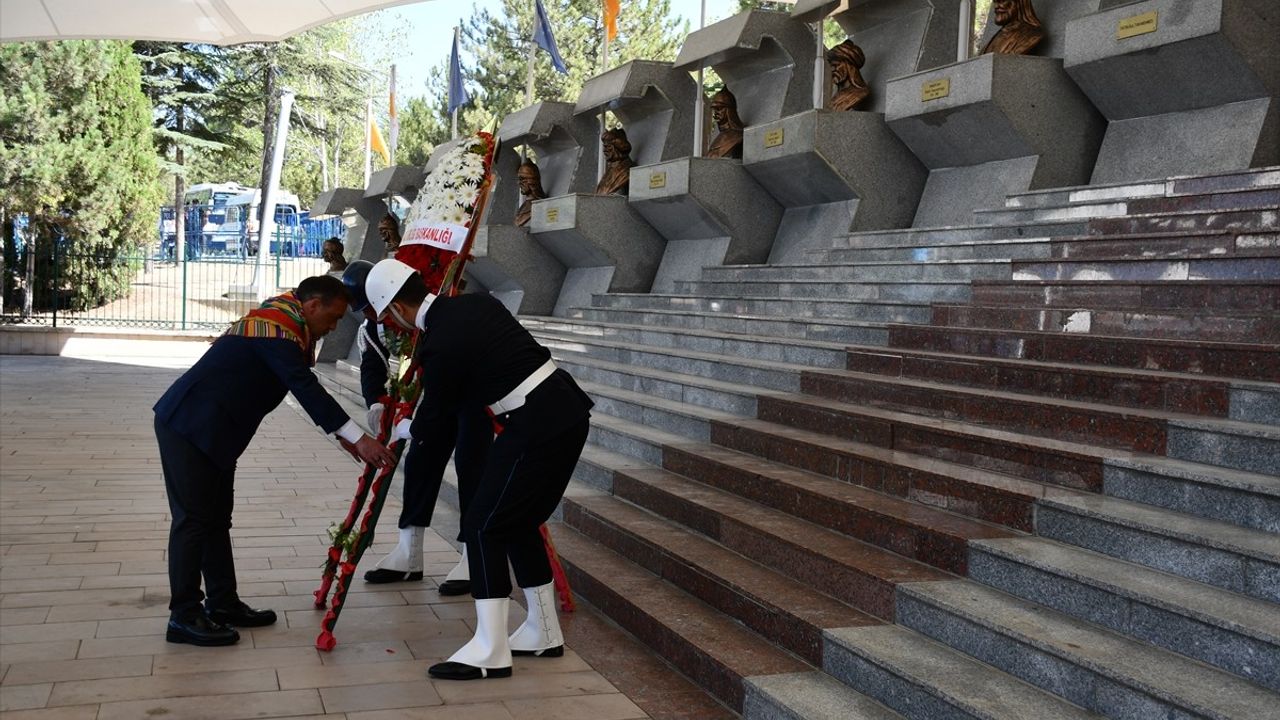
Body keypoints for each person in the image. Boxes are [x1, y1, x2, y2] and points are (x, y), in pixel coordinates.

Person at [365, 258, 593, 681]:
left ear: (397, 307)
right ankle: (542, 630)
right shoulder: (476, 306)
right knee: (517, 522)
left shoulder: (439, 341)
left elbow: (435, 417)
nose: (393, 323)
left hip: (535, 422)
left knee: (483, 525)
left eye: (390, 315)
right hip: (562, 411)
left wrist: (404, 427)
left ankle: (490, 647)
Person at [154, 275, 396, 647]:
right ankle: (183, 614)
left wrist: (344, 437)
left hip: (217, 431)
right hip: (190, 427)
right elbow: (304, 387)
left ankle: (222, 602)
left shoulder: (285, 325)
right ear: (312, 305)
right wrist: (358, 438)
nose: (332, 328)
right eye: (331, 319)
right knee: (193, 521)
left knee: (215, 520)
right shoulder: (276, 329)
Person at [340, 261, 492, 593]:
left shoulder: (430, 309)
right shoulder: (374, 326)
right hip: (432, 404)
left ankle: (472, 555)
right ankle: (409, 552)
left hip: (471, 398)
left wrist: (412, 425)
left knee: (471, 468)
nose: (373, 317)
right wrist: (378, 400)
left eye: (372, 308)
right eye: (365, 311)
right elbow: (372, 364)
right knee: (420, 465)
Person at [827, 40, 871, 112]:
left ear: (849, 65)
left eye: (836, 65)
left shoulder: (860, 93)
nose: (833, 69)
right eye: (831, 66)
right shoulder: (835, 96)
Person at [705, 88, 745, 159]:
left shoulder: (739, 136)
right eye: (714, 109)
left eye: (719, 108)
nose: (715, 113)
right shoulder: (717, 139)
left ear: (730, 110)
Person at [595, 128, 636, 196]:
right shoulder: (610, 170)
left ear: (618, 147)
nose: (604, 150)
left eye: (608, 146)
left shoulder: (627, 171)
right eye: (604, 146)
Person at [514, 159, 548, 227]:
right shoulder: (525, 205)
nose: (519, 182)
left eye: (522, 179)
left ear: (533, 180)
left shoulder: (540, 205)